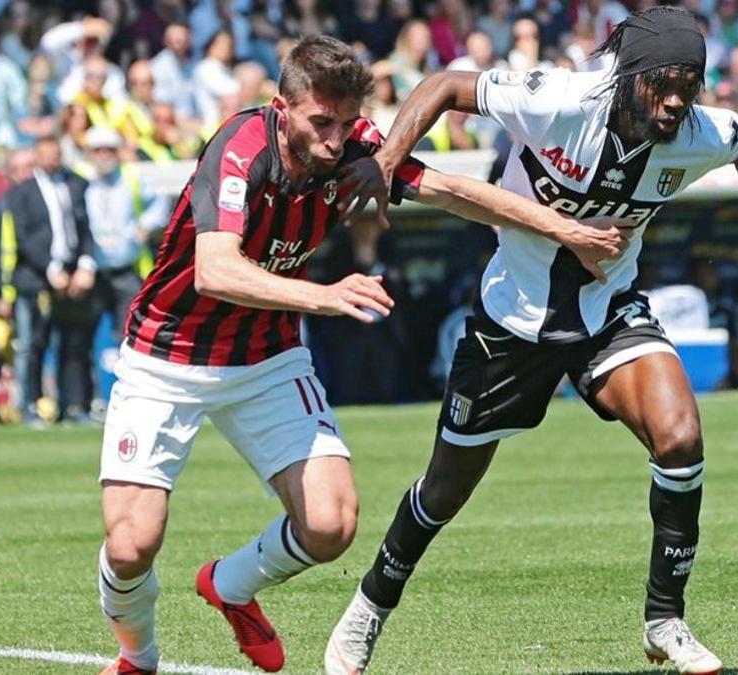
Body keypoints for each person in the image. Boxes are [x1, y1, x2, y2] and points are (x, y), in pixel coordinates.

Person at [91, 35, 629, 675]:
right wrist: (324, 296)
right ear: (282, 107)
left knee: (331, 525)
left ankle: (229, 585)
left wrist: (566, 228)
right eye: (321, 122)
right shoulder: (241, 149)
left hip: (266, 357)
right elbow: (214, 271)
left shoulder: (356, 148)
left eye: (346, 123)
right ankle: (137, 658)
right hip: (166, 355)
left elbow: (451, 190)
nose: (335, 138)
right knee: (131, 546)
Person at [332, 8, 738, 674]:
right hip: (511, 321)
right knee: (444, 490)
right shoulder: (559, 99)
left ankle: (665, 620)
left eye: (690, 83)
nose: (676, 99)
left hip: (608, 311)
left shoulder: (699, 131)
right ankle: (369, 606)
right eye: (661, 84)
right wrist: (386, 161)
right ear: (628, 76)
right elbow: (444, 84)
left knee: (680, 436)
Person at [0, 135, 95, 427]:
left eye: (56, 152)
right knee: (32, 345)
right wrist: (50, 269)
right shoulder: (20, 194)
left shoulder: (76, 184)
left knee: (72, 345)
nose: (52, 158)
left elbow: (86, 228)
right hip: (34, 279)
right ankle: (30, 406)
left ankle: (72, 406)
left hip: (73, 278)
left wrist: (84, 264)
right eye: (46, 153)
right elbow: (23, 238)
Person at [81, 126, 166, 346]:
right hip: (94, 272)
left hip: (126, 269)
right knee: (89, 335)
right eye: (98, 150)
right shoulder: (82, 179)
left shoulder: (131, 177)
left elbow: (160, 204)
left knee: (129, 332)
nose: (104, 155)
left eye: (109, 150)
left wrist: (145, 225)